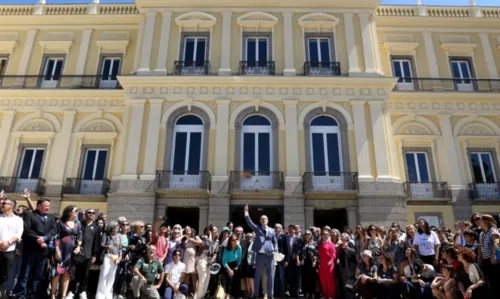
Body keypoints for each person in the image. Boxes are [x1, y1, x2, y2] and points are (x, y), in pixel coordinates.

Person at [13, 198, 57, 299]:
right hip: (30, 249)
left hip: (43, 251)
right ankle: (20, 294)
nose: (48, 207)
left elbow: (53, 230)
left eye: (48, 206)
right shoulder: (29, 215)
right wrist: (37, 238)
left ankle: (34, 293)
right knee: (25, 273)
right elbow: (26, 229)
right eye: (46, 205)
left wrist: (45, 238)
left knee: (38, 274)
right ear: (38, 206)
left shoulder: (51, 217)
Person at [244, 204, 277, 299]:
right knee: (257, 276)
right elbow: (249, 222)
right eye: (262, 219)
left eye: (265, 219)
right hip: (260, 256)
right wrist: (246, 213)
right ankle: (256, 294)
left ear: (268, 220)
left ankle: (271, 295)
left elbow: (275, 241)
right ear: (259, 221)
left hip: (270, 255)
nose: (263, 220)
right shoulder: (257, 228)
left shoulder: (272, 230)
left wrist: (276, 249)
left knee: (271, 276)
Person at [50, 205, 82, 299]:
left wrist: (79, 246)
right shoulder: (60, 222)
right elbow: (56, 236)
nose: (77, 212)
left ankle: (63, 295)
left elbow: (80, 236)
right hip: (61, 249)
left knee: (67, 272)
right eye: (75, 211)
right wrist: (57, 249)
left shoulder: (77, 223)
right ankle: (53, 294)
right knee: (57, 272)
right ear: (69, 212)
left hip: (71, 251)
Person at [73, 208, 100, 299]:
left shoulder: (96, 227)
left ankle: (83, 291)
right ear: (85, 214)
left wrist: (94, 255)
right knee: (75, 273)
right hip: (77, 254)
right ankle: (71, 291)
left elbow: (96, 243)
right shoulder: (79, 224)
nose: (91, 214)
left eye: (93, 213)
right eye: (89, 212)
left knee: (85, 275)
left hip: (88, 255)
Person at [0, 197, 23, 297]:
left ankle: (2, 293)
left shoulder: (18, 220)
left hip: (9, 250)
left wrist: (8, 243)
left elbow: (18, 234)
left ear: (11, 206)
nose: (1, 205)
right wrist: (1, 243)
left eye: (4, 203)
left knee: (5, 274)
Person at [96, 221, 122, 299]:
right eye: (117, 225)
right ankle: (100, 294)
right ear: (112, 227)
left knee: (112, 276)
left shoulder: (119, 236)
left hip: (115, 257)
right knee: (104, 274)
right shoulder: (106, 234)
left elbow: (120, 248)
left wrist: (120, 257)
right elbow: (102, 244)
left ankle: (108, 294)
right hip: (107, 256)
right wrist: (107, 247)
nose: (118, 227)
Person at [477, 214, 500, 295]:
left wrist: (493, 255)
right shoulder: (481, 233)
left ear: (486, 221)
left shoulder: (493, 231)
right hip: (485, 260)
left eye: (480, 219)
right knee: (489, 281)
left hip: (493, 259)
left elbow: (496, 242)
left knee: (496, 280)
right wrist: (479, 257)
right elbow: (480, 246)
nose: (478, 221)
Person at [196, 224, 218, 299]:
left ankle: (201, 296)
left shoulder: (217, 241)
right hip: (202, 260)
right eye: (214, 229)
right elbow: (208, 245)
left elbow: (215, 252)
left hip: (209, 263)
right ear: (210, 231)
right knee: (202, 280)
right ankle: (197, 297)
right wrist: (210, 235)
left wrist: (213, 259)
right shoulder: (204, 237)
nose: (217, 230)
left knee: (206, 281)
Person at [180, 225, 202, 297]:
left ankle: (195, 293)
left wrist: (193, 240)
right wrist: (182, 234)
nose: (187, 229)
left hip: (193, 259)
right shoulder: (183, 239)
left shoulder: (195, 237)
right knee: (186, 276)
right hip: (185, 259)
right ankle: (186, 293)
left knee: (194, 276)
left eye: (188, 228)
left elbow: (201, 243)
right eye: (186, 229)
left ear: (191, 230)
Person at [221, 234, 242, 299]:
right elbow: (224, 261)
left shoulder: (239, 247)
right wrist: (229, 270)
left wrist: (237, 267)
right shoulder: (226, 249)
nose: (235, 241)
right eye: (233, 240)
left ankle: (236, 295)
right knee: (229, 277)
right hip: (227, 265)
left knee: (238, 276)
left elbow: (239, 259)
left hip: (235, 264)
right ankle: (227, 294)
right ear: (230, 241)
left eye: (236, 239)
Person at [299, 229, 318, 299]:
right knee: (305, 278)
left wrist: (315, 261)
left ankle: (312, 293)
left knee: (312, 278)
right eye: (306, 234)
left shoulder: (315, 243)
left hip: (312, 263)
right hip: (304, 263)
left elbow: (316, 253)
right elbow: (300, 253)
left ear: (311, 235)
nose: (307, 235)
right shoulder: (302, 243)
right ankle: (306, 293)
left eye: (309, 234)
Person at [318, 227, 336, 299]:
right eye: (323, 234)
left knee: (330, 281)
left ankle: (331, 295)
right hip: (321, 265)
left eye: (326, 234)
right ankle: (325, 294)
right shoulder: (320, 244)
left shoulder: (331, 244)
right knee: (323, 280)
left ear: (329, 235)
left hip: (329, 265)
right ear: (321, 235)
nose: (325, 235)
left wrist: (331, 261)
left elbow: (333, 255)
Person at [337, 233, 357, 299]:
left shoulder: (350, 244)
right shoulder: (340, 245)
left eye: (343, 235)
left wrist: (347, 248)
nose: (342, 236)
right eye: (341, 236)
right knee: (343, 287)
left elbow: (354, 254)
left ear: (347, 238)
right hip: (342, 269)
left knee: (349, 286)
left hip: (349, 269)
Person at [273, 223, 289, 299]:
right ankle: (275, 293)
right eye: (275, 227)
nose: (276, 229)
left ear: (281, 228)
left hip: (282, 259)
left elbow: (288, 249)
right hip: (273, 260)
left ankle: (281, 294)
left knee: (282, 277)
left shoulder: (285, 237)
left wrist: (287, 260)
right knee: (275, 277)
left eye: (277, 227)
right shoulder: (272, 236)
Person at [286, 224, 301, 299]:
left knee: (297, 277)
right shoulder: (286, 238)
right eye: (289, 229)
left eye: (292, 229)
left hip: (296, 260)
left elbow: (299, 249)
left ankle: (297, 293)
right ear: (288, 230)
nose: (291, 231)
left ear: (294, 230)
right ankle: (291, 293)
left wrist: (296, 255)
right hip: (288, 261)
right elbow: (284, 250)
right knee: (290, 277)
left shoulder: (298, 239)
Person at [243, 233, 256, 298]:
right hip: (245, 264)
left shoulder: (254, 245)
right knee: (246, 279)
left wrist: (254, 264)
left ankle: (252, 293)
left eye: (250, 237)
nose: (249, 238)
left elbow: (255, 255)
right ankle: (248, 292)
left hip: (251, 264)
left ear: (253, 238)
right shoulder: (244, 244)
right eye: (247, 237)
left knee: (251, 279)